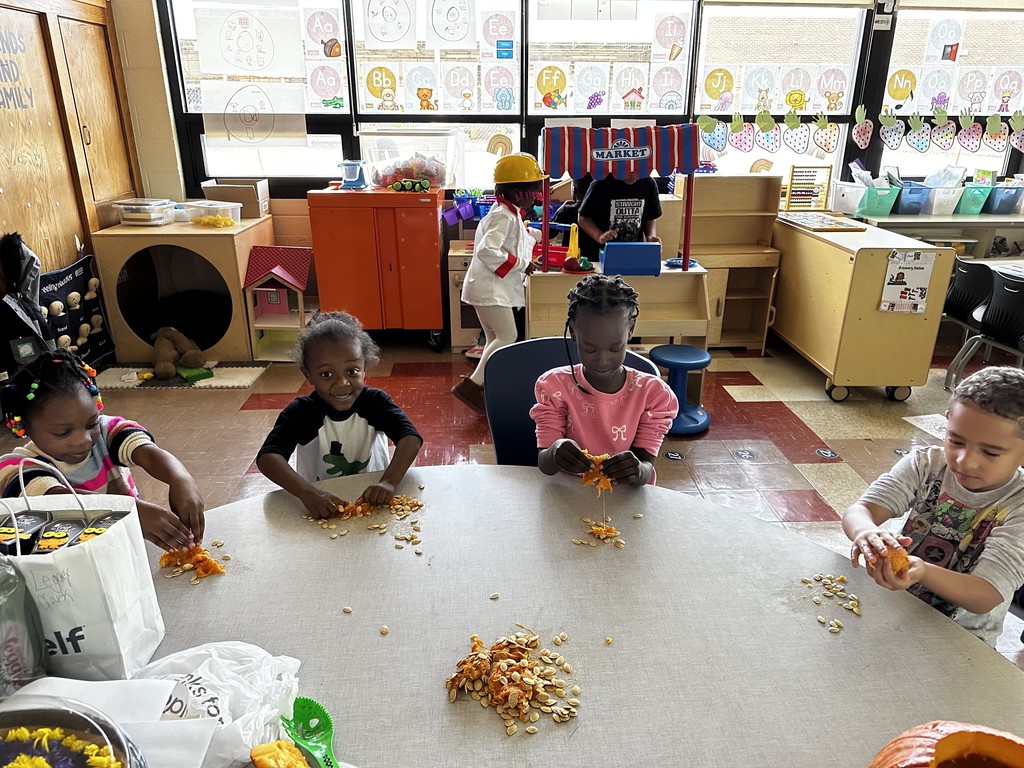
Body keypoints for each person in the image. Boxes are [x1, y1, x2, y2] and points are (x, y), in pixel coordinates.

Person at [843, 367, 1024, 647]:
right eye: (955, 440)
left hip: (961, 638)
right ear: (948, 421)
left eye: (990, 452)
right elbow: (861, 511)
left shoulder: (1019, 504)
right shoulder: (926, 464)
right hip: (897, 609)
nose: (965, 461)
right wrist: (865, 532)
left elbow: (985, 595)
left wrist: (923, 571)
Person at [0, 348, 204, 552]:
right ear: (25, 427)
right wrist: (129, 511)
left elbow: (148, 454)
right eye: (63, 432)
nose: (84, 439)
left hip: (123, 549)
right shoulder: (18, 468)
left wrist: (180, 478)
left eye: (91, 423)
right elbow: (59, 500)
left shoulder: (107, 433)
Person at [257, 311, 422, 519]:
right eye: (326, 374)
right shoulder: (301, 412)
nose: (342, 383)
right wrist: (307, 493)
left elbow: (410, 438)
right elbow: (268, 458)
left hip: (374, 502)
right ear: (308, 374)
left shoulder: (375, 403)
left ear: (365, 369)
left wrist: (388, 482)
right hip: (320, 504)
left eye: (352, 371)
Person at [530, 274, 678, 486]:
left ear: (630, 331)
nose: (602, 360)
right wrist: (554, 451)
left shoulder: (653, 395)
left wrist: (637, 471)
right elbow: (544, 462)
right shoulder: (554, 387)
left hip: (625, 499)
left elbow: (646, 466)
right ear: (573, 332)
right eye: (589, 348)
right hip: (569, 493)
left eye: (614, 348)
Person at [452, 152, 545, 414]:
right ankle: (471, 387)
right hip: (491, 290)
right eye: (533, 190)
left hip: (488, 289)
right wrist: (521, 264)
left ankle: (488, 386)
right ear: (518, 192)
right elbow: (487, 250)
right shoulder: (503, 216)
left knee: (494, 339)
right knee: (507, 336)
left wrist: (535, 234)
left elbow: (514, 239)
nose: (536, 195)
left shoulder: (508, 213)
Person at [576, 171, 662, 263]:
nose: (636, 177)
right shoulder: (600, 183)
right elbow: (583, 218)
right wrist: (599, 236)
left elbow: (650, 217)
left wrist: (651, 236)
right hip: (602, 255)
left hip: (634, 253)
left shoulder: (649, 183)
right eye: (632, 172)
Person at [551, 174, 593, 247]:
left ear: (574, 190)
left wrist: (560, 210)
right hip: (596, 256)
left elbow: (550, 233)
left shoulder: (566, 210)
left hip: (571, 256)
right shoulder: (600, 210)